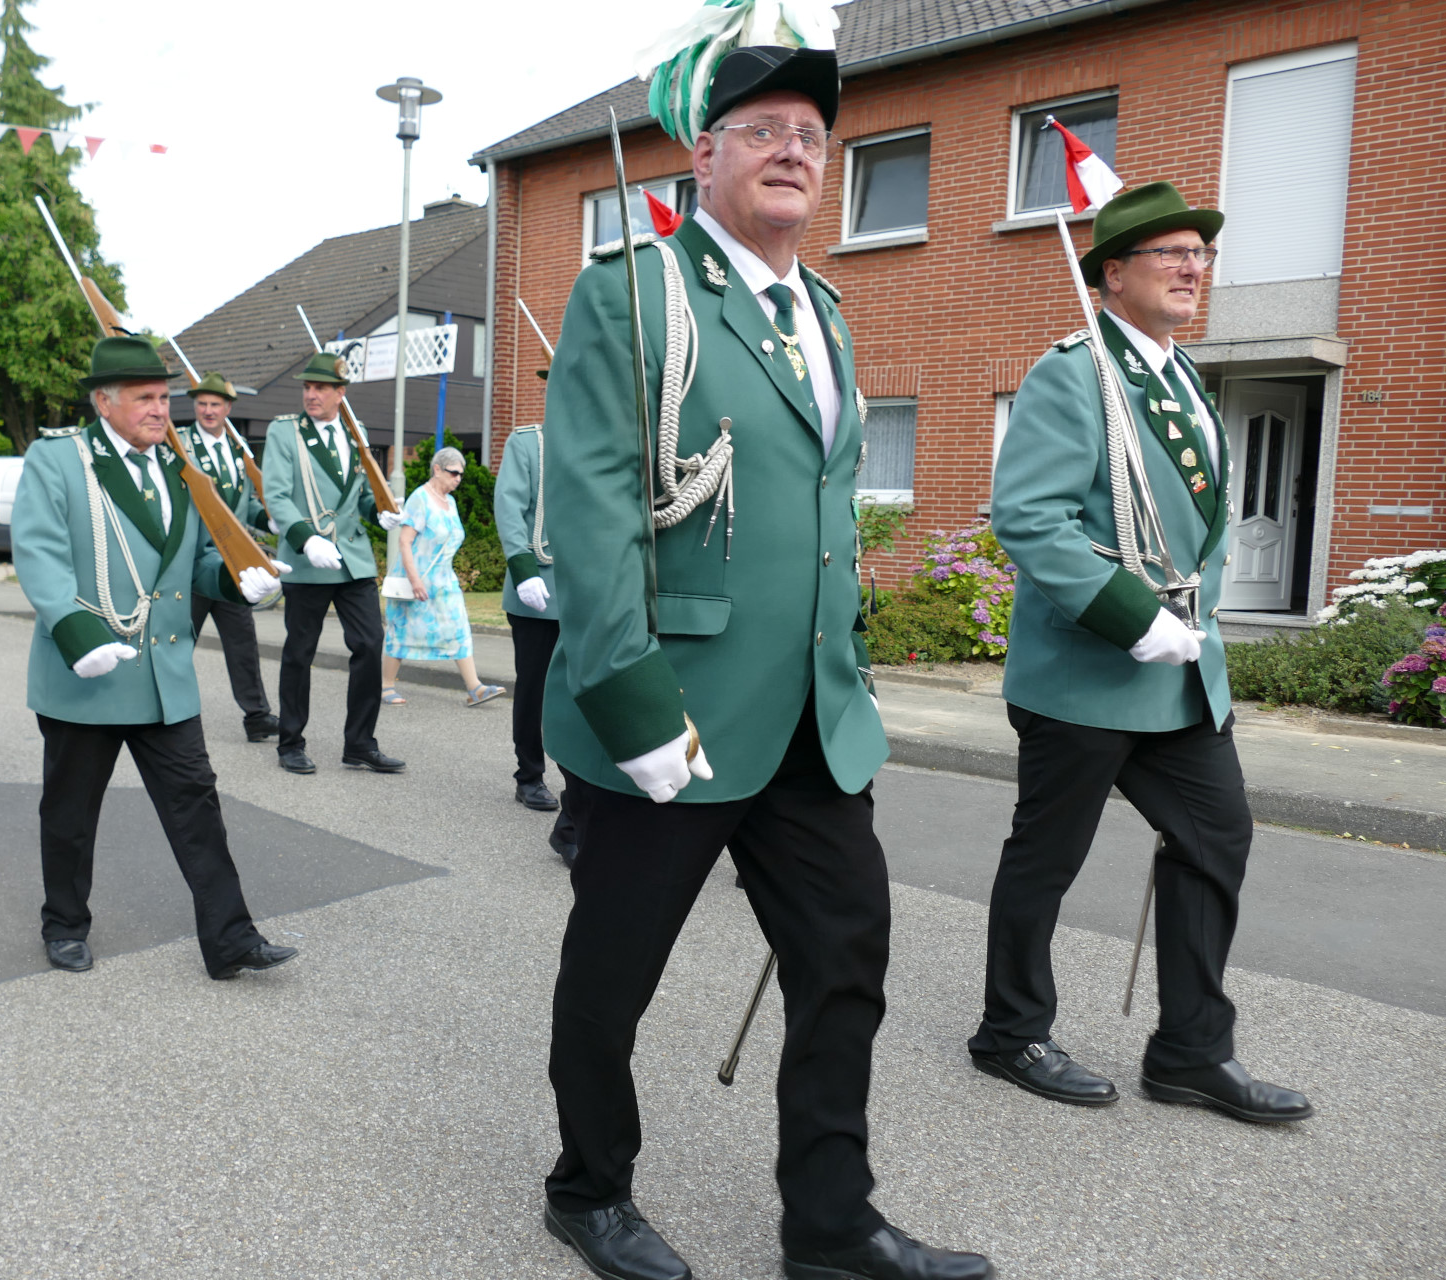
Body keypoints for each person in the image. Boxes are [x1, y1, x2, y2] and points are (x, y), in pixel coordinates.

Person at [537, 12, 992, 1280]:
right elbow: (594, 511)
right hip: (673, 713)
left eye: (812, 135)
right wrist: (631, 703)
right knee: (613, 974)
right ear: (705, 154)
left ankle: (832, 1225)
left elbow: (821, 513)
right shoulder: (633, 292)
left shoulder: (825, 311)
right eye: (763, 130)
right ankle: (588, 1186)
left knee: (846, 963)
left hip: (807, 720)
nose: (794, 149)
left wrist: (850, 672)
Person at [971, 181, 1313, 1126]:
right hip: (1087, 671)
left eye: (1200, 254)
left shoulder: (1182, 375)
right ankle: (1010, 1032)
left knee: (1216, 838)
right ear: (1113, 274)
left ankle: (1191, 1053)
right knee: (1049, 858)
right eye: (1171, 253)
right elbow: (1029, 518)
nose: (1193, 268)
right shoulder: (1074, 373)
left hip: (1183, 676)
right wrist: (1132, 617)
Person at [13, 335, 296, 979]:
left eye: (163, 398)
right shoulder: (60, 459)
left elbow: (196, 564)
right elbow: (39, 553)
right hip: (90, 668)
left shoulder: (178, 468)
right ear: (102, 402)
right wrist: (76, 633)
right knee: (71, 812)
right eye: (143, 398)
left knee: (197, 806)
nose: (159, 410)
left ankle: (232, 939)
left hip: (164, 676)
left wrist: (237, 581)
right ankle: (64, 924)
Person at [261, 351, 408, 776]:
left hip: (352, 559)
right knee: (299, 653)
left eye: (321, 388)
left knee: (370, 644)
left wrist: (378, 512)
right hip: (308, 558)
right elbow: (276, 494)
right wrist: (305, 540)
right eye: (308, 387)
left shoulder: (355, 432)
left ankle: (360, 743)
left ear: (340, 393)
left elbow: (357, 495)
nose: (311, 394)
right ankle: (291, 742)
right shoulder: (285, 432)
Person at [495, 407, 578, 866]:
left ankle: (579, 785)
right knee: (535, 689)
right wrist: (523, 568)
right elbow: (509, 507)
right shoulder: (529, 442)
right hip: (538, 590)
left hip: (584, 593)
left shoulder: (599, 441)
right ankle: (529, 775)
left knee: (582, 693)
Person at [179, 372, 279, 743]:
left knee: (243, 646)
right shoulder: (180, 445)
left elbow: (245, 504)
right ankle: (164, 713)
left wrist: (268, 520)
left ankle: (257, 716)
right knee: (178, 643)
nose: (208, 410)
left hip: (232, 567)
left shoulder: (238, 450)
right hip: (192, 565)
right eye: (202, 404)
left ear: (228, 409)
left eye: (215, 404)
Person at [380, 445, 504, 707]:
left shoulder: (451, 502)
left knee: (459, 629)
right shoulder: (420, 498)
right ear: (437, 469)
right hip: (415, 579)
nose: (458, 478)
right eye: (453, 472)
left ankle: (475, 688)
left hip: (444, 582)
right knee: (401, 630)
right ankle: (386, 685)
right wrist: (415, 580)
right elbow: (404, 541)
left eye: (461, 474)